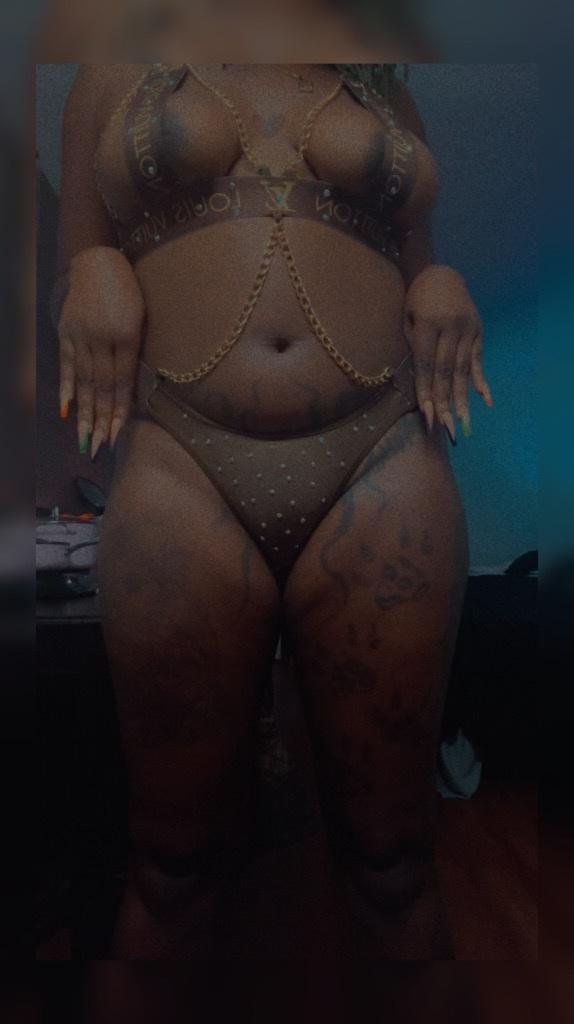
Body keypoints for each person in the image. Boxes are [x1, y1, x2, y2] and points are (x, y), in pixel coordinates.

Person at [55, 62, 492, 976]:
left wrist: (443, 275)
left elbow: (418, 255)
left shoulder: (380, 78)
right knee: (170, 867)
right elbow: (78, 256)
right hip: (182, 458)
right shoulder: (119, 52)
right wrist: (89, 267)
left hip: (382, 454)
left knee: (395, 864)